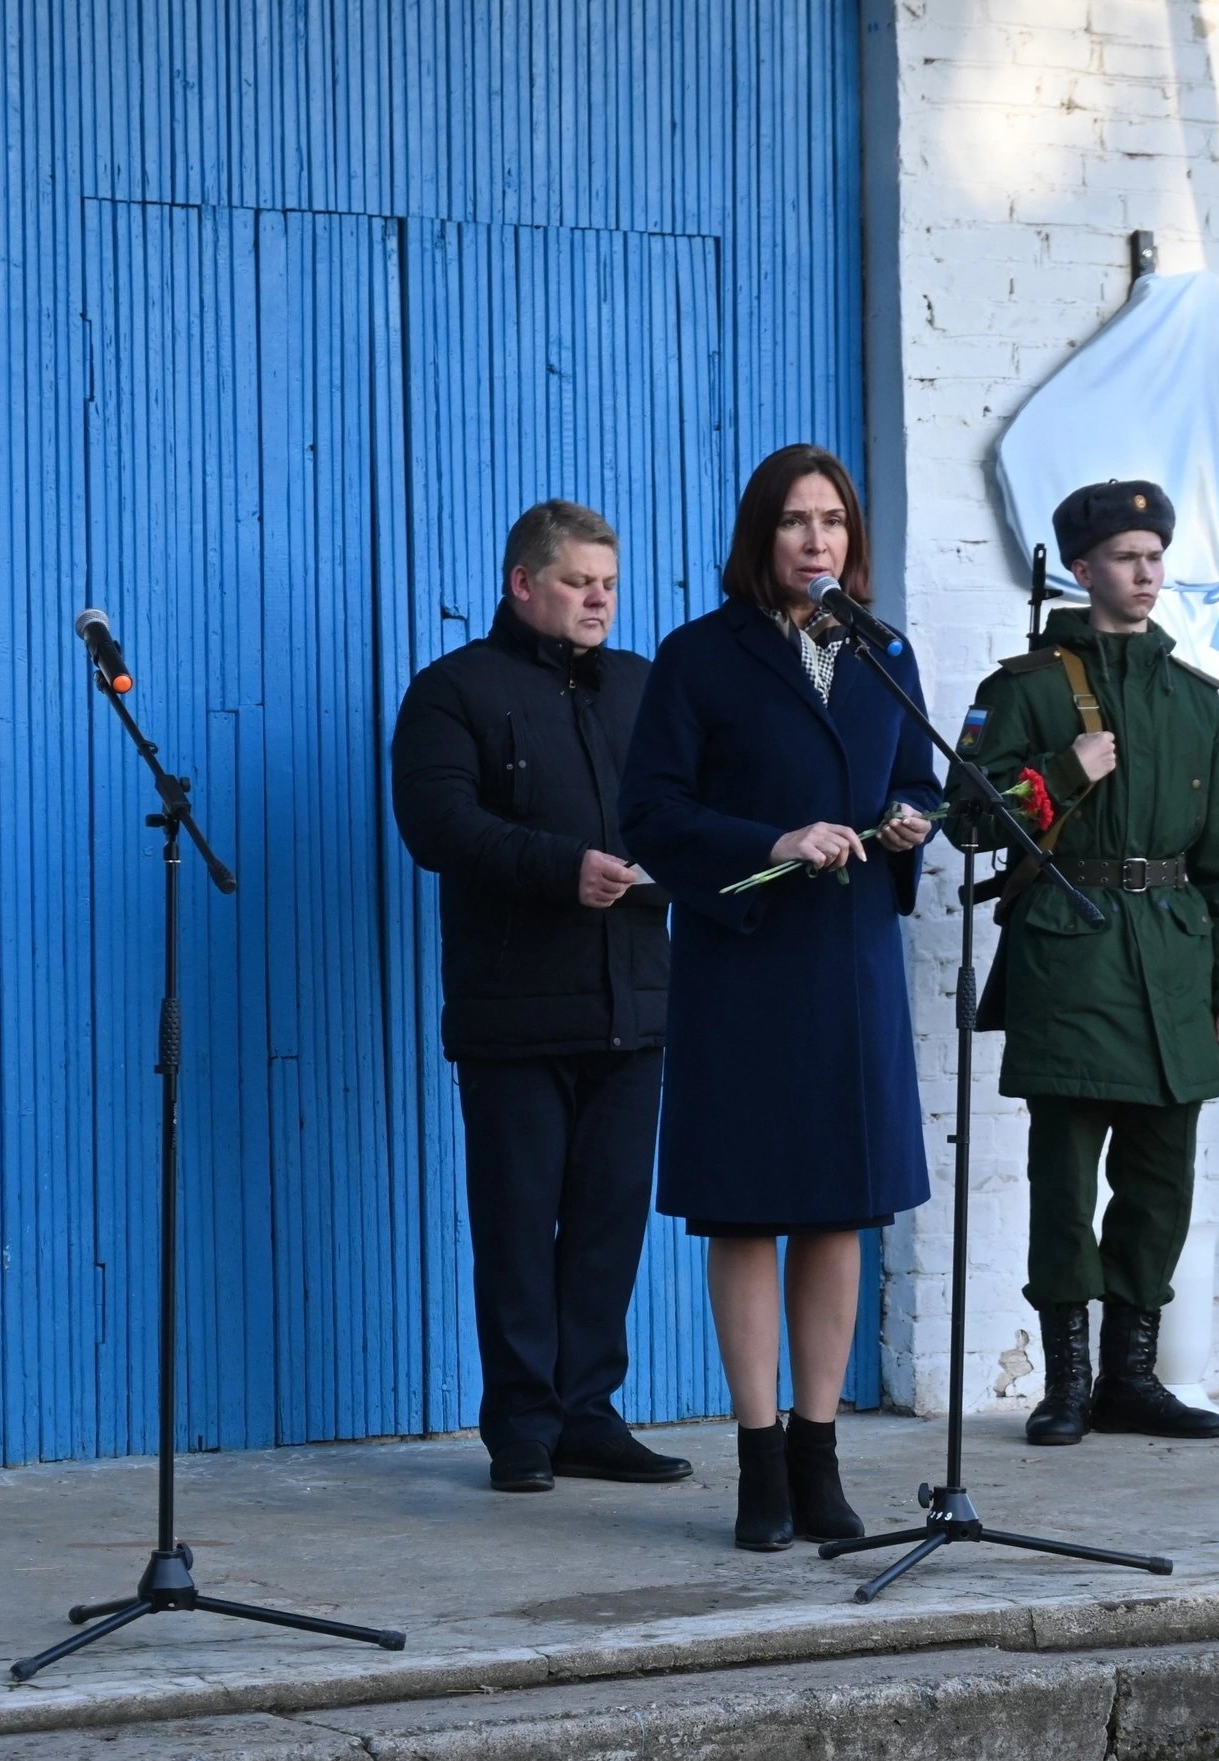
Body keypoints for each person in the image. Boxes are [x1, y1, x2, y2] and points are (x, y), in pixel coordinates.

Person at [620, 444, 941, 1551]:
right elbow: (651, 813)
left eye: (835, 522)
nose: (818, 541)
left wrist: (907, 823)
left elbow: (918, 781)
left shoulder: (883, 649)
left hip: (848, 963)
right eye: (796, 522)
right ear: (761, 537)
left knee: (838, 1210)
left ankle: (820, 1458)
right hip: (746, 962)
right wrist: (772, 838)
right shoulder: (697, 657)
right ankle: (760, 1463)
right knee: (750, 1210)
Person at [390, 499, 689, 1495]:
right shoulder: (454, 691)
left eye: (607, 582)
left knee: (610, 1221)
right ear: (524, 584)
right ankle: (520, 1424)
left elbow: (690, 812)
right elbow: (436, 825)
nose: (598, 599)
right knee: (518, 1225)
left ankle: (588, 1414)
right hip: (514, 1012)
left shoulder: (645, 688)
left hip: (635, 1005)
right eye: (576, 582)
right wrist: (562, 867)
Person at [970, 480, 1219, 1447]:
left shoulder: (1195, 698)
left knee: (1160, 1181)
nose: (1148, 574)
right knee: (1063, 1181)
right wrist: (1062, 771)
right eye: (1128, 558)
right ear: (1083, 568)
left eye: (1155, 556)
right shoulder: (1024, 688)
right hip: (1071, 948)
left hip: (1175, 959)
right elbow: (968, 822)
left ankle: (1131, 1377)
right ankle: (1066, 1380)